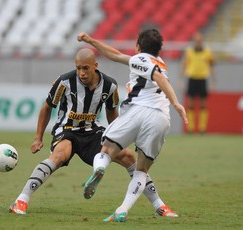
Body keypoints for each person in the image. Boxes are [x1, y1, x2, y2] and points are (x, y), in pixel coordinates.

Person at [9, 48, 179, 217]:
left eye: (85, 68)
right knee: (59, 155)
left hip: (92, 131)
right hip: (67, 130)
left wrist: (121, 136)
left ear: (95, 66)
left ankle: (159, 206)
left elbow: (112, 111)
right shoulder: (64, 82)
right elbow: (47, 108)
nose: (81, 73)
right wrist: (38, 138)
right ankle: (21, 200)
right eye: (78, 68)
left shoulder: (109, 85)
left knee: (128, 156)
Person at [78, 29, 188, 222]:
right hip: (161, 118)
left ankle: (99, 168)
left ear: (138, 46)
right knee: (141, 170)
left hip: (138, 111)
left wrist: (176, 102)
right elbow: (159, 75)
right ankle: (122, 210)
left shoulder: (140, 60)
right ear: (159, 49)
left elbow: (115, 55)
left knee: (106, 150)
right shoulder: (161, 63)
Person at [180, 32, 215, 134]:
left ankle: (202, 128)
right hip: (192, 79)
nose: (198, 42)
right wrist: (181, 79)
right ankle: (190, 128)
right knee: (190, 104)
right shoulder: (189, 51)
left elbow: (211, 66)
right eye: (196, 40)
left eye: (199, 40)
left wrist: (213, 80)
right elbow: (184, 65)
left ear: (202, 41)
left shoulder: (207, 52)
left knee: (203, 105)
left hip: (202, 79)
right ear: (194, 41)